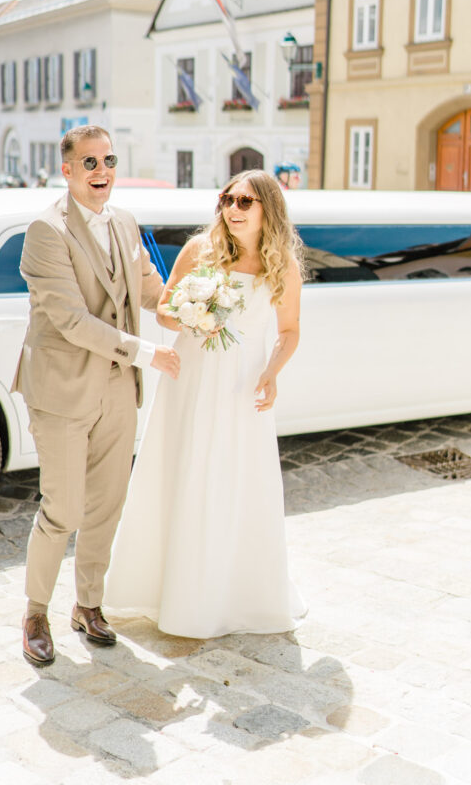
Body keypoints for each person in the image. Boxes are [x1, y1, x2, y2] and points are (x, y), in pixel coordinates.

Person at [105, 170, 307, 638]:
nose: (233, 209)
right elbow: (164, 310)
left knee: (234, 482)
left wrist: (272, 372)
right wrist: (193, 315)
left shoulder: (283, 267)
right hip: (191, 380)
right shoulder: (200, 250)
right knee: (182, 473)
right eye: (227, 199)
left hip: (242, 391)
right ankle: (164, 592)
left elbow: (290, 331)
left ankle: (228, 595)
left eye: (245, 202)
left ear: (267, 211)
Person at [14, 125, 181, 665]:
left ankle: (88, 605)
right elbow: (68, 318)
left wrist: (189, 307)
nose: (101, 171)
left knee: (107, 504)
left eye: (108, 160)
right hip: (63, 389)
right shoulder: (45, 231)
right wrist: (147, 352)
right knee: (62, 508)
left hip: (115, 388)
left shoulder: (126, 222)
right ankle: (36, 612)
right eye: (89, 162)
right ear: (67, 170)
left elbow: (148, 285)